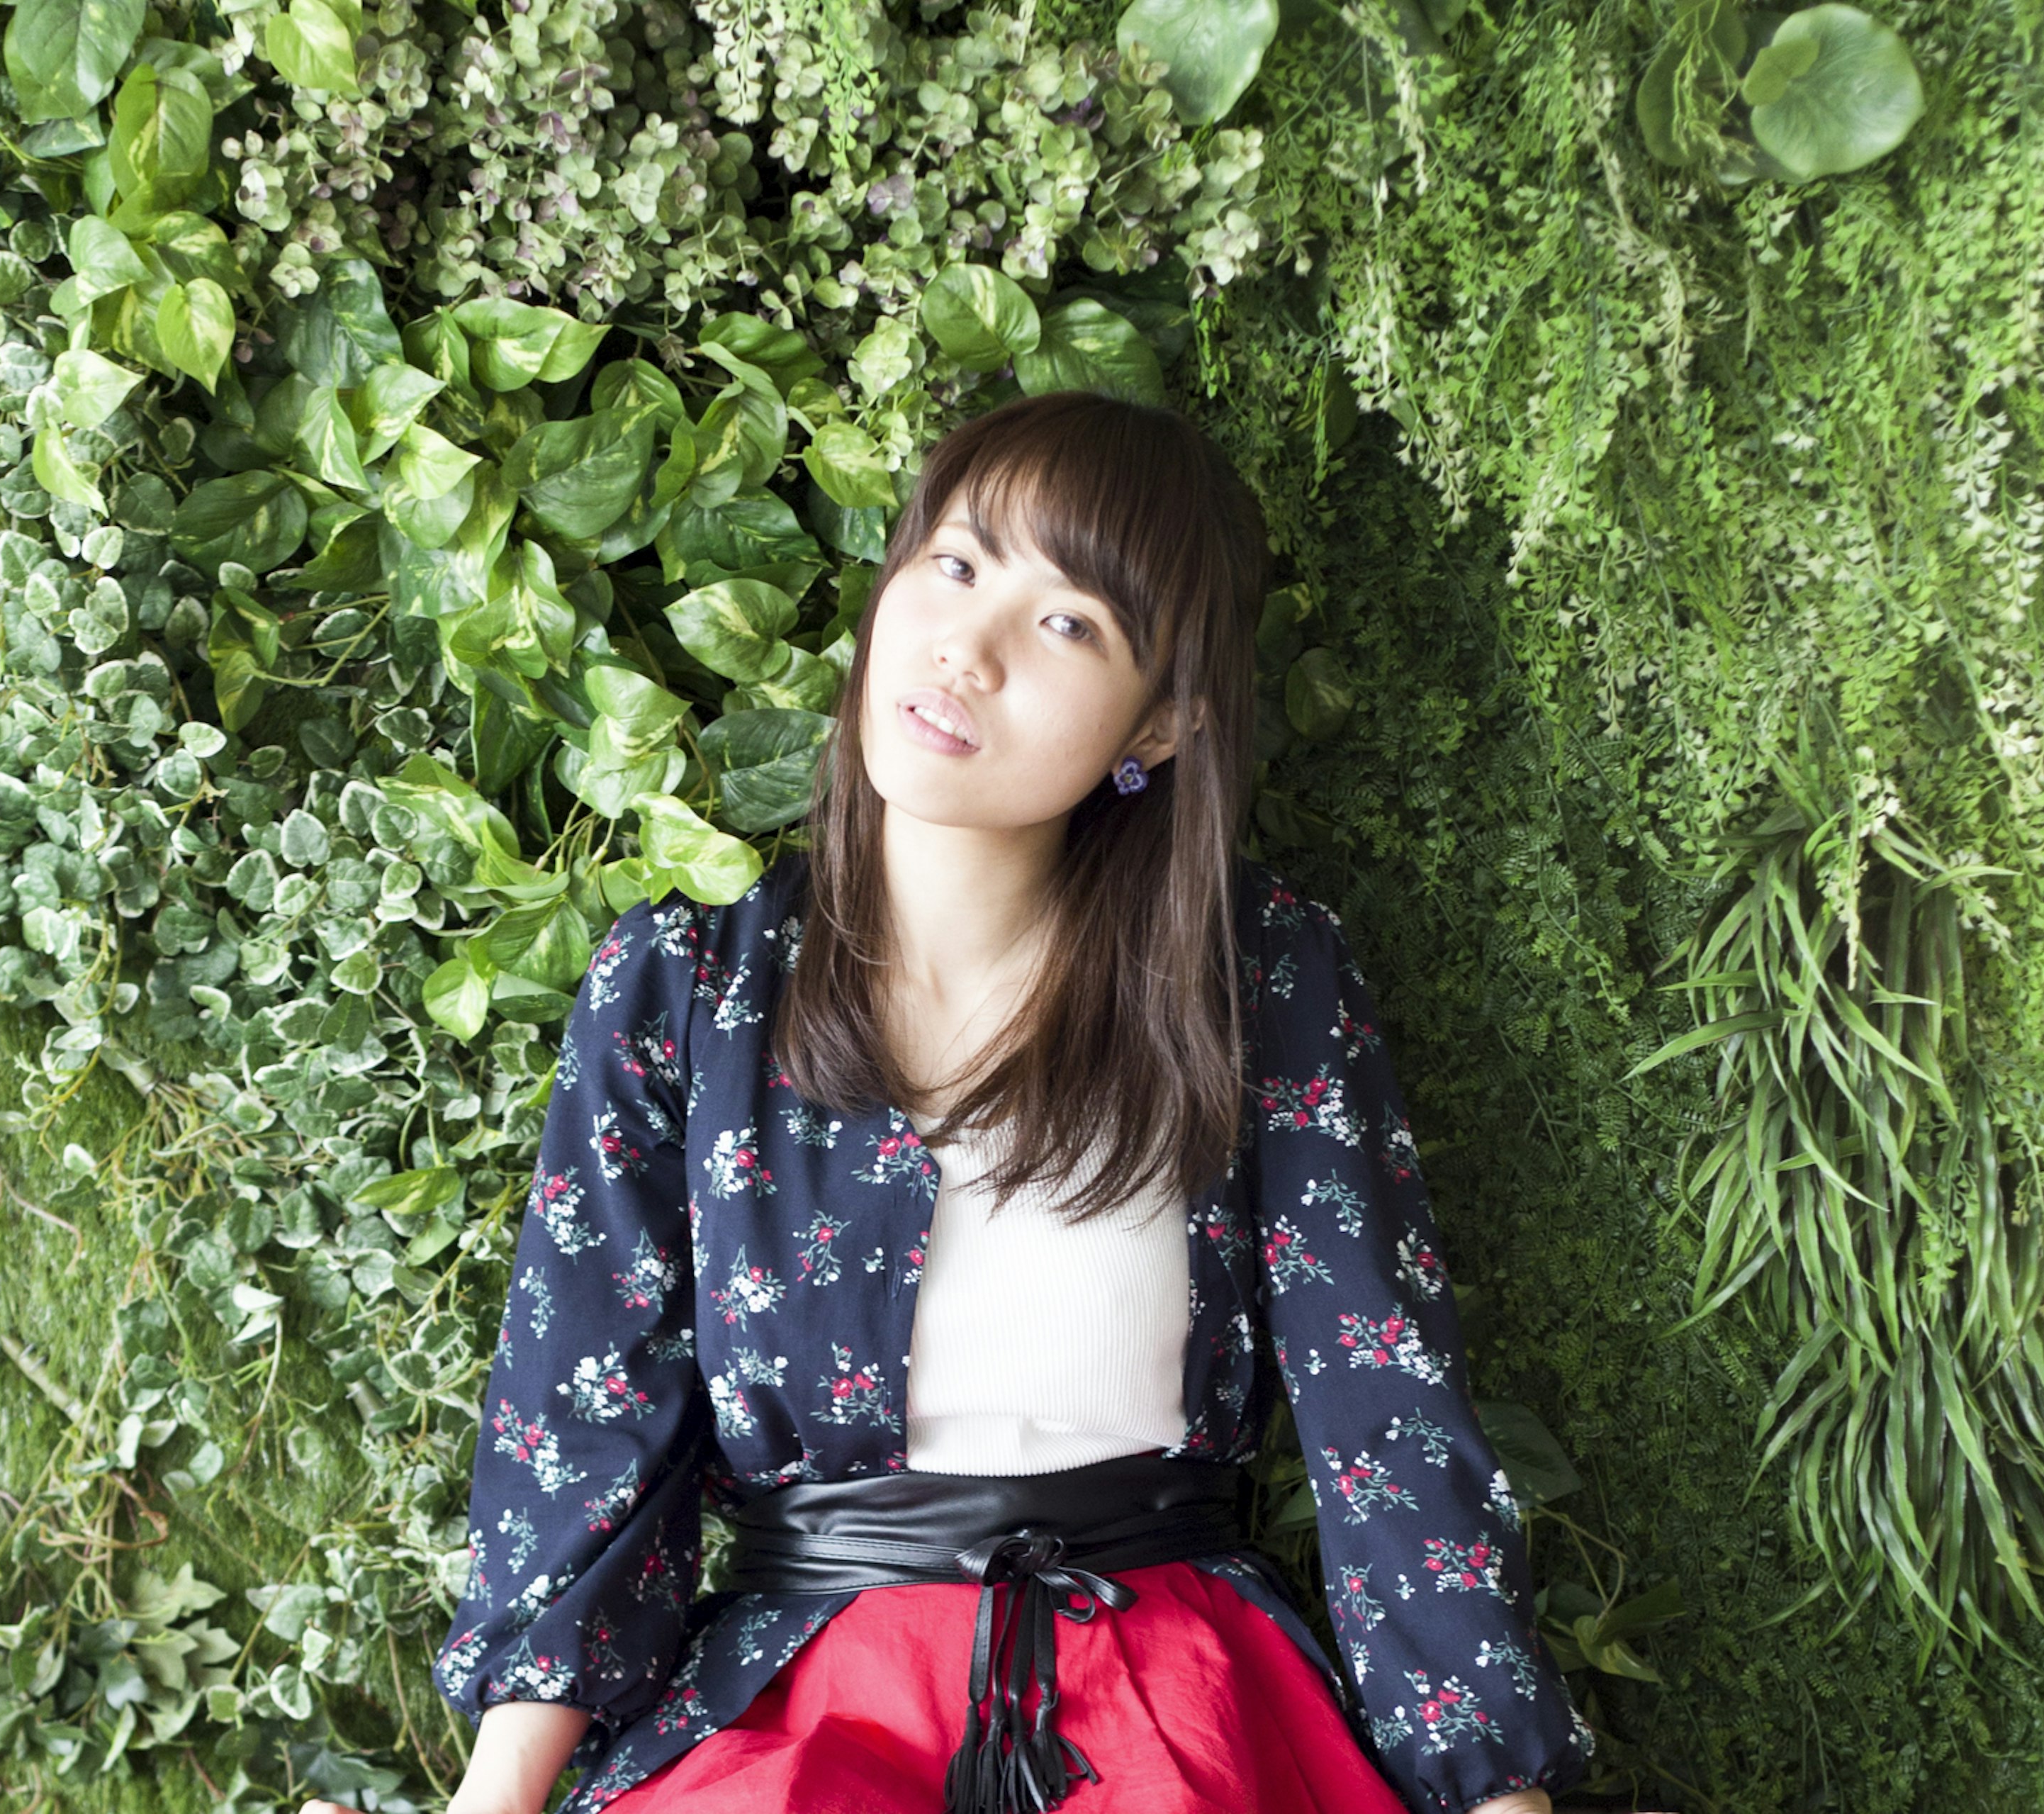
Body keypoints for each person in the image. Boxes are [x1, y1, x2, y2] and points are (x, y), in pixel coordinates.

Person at [305, 391, 1595, 1814]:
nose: (966, 650)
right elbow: (584, 1421)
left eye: (1069, 624)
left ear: (1160, 719)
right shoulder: (688, 987)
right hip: (810, 1709)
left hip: (1174, 1705)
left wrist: (1499, 1793)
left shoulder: (1256, 977)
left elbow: (1384, 1419)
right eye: (960, 563)